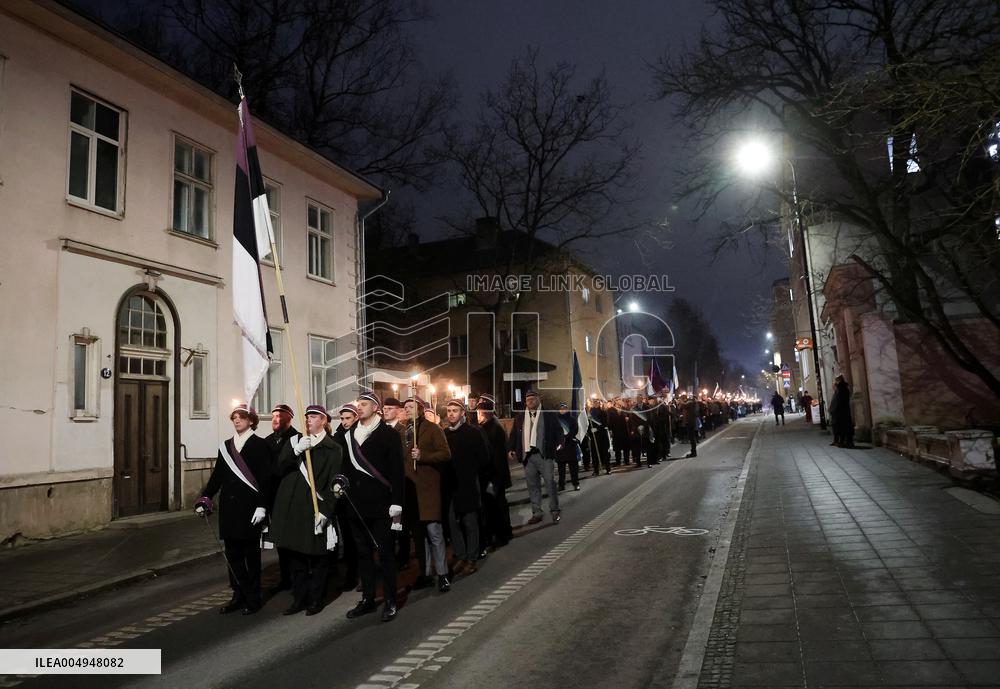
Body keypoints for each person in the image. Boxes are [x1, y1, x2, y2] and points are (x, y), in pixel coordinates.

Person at [195, 404, 272, 615]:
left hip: (250, 508)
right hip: (229, 509)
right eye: (234, 417)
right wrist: (205, 497)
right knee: (233, 555)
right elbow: (217, 476)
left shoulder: (260, 445)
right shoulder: (226, 446)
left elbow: (266, 479)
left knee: (251, 556)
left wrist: (262, 506)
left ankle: (253, 597)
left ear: (251, 421)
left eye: (241, 417)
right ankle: (238, 594)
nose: (237, 421)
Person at [270, 405, 341, 616]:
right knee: (296, 558)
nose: (308, 420)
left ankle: (316, 599)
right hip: (293, 507)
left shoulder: (333, 448)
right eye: (307, 416)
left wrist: (326, 511)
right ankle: (299, 598)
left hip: (315, 507)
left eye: (314, 416)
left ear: (324, 420)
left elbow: (334, 483)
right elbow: (278, 468)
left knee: (318, 558)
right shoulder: (295, 441)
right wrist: (296, 451)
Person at [343, 391, 406, 622]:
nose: (359, 407)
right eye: (358, 403)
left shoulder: (388, 434)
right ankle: (368, 599)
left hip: (382, 504)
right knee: (363, 554)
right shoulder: (349, 434)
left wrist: (397, 501)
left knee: (386, 554)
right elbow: (344, 467)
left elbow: (397, 470)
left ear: (375, 408)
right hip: (356, 505)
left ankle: (390, 600)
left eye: (364, 403)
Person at [400, 396, 453, 593]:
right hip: (410, 490)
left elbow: (445, 454)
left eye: (411, 406)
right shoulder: (402, 431)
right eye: (405, 406)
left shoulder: (432, 429)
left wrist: (424, 456)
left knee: (434, 532)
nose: (407, 409)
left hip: (427, 489)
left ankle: (443, 574)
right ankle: (426, 573)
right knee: (418, 536)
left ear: (421, 409)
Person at [443, 399, 488, 575]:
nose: (451, 414)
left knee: (470, 523)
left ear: (462, 413)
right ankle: (461, 555)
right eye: (449, 411)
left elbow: (483, 458)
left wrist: (472, 473)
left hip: (467, 484)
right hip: (450, 485)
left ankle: (472, 558)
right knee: (451, 522)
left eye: (455, 410)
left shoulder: (472, 432)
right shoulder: (445, 433)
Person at [508, 390, 561, 524]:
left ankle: (555, 510)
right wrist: (511, 448)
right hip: (528, 456)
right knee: (532, 486)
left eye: (533, 399)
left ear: (538, 400)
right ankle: (537, 513)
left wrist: (559, 444)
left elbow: (558, 430)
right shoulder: (520, 417)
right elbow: (514, 434)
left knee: (550, 483)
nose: (530, 401)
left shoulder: (548, 414)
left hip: (544, 455)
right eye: (528, 400)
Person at [264, 404, 299, 595]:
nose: (275, 419)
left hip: (290, 494)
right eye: (273, 416)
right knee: (280, 540)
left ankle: (298, 576)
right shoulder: (268, 441)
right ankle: (286, 577)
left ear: (288, 418)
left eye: (279, 416)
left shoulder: (297, 438)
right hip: (273, 496)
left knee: (293, 538)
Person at [477, 394, 513, 549]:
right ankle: (501, 533)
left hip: (494, 475)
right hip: (492, 475)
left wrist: (493, 479)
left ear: (485, 413)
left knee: (497, 507)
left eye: (479, 413)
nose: (478, 415)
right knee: (494, 506)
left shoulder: (494, 429)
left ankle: (502, 535)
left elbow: (497, 456)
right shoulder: (486, 427)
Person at [331, 403, 360, 591]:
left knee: (359, 536)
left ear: (356, 418)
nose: (344, 422)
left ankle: (362, 572)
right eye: (342, 418)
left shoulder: (360, 434)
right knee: (348, 536)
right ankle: (351, 573)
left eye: (348, 418)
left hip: (357, 493)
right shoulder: (337, 437)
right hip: (342, 494)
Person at [555, 403, 581, 490]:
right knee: (561, 469)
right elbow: (553, 431)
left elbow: (575, 430)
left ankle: (576, 484)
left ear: (567, 409)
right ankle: (561, 485)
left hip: (570, 445)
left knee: (573, 468)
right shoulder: (556, 420)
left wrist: (566, 437)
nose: (563, 410)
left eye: (564, 408)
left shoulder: (572, 419)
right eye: (561, 408)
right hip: (560, 446)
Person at [829, 375, 855, 448]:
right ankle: (843, 441)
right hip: (842, 411)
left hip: (840, 412)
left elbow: (838, 401)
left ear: (838, 381)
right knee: (842, 427)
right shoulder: (842, 389)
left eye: (836, 381)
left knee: (842, 427)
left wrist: (833, 409)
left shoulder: (841, 389)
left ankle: (844, 442)